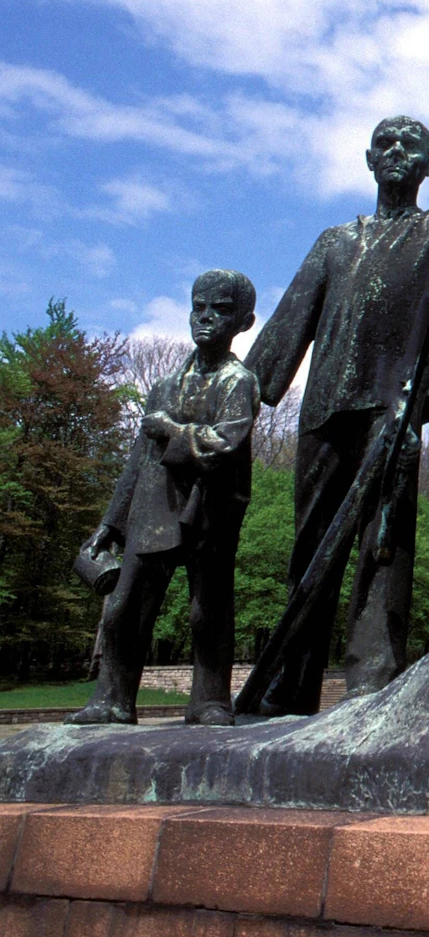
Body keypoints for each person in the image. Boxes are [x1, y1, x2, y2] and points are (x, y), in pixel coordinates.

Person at [245, 116, 429, 713]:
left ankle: (372, 679)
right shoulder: (335, 241)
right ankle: (290, 682)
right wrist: (243, 395)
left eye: (411, 146)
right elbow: (290, 322)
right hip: (326, 408)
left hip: (392, 411)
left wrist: (428, 403)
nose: (396, 153)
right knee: (309, 544)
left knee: (384, 546)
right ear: (367, 159)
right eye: (385, 144)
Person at [68, 271, 259, 726]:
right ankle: (112, 698)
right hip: (152, 511)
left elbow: (225, 444)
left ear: (244, 322)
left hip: (209, 510)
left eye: (221, 309)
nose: (207, 318)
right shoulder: (165, 386)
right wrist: (109, 525)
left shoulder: (238, 381)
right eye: (199, 307)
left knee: (206, 611)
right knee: (124, 607)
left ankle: (210, 700)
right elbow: (136, 463)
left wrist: (171, 431)